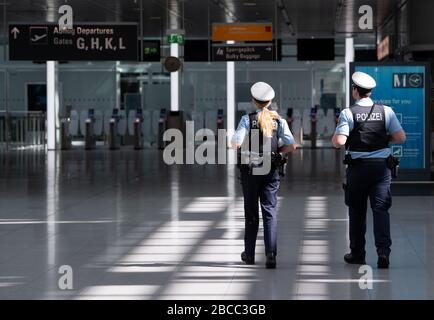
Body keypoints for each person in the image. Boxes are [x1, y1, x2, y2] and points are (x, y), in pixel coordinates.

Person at [332, 71, 406, 269]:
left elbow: (339, 142)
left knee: (357, 212)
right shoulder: (386, 111)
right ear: (370, 91)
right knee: (381, 210)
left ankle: (357, 254)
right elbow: (400, 137)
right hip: (381, 170)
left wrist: (337, 137)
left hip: (357, 170)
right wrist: (383, 138)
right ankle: (383, 253)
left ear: (355, 91)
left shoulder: (348, 113)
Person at [231, 82, 296, 269]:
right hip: (271, 169)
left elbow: (235, 143)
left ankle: (249, 254)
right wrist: (276, 151)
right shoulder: (279, 121)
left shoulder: (247, 119)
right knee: (270, 211)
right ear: (270, 101)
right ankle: (271, 254)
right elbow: (291, 146)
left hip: (251, 171)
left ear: (254, 101)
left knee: (251, 212)